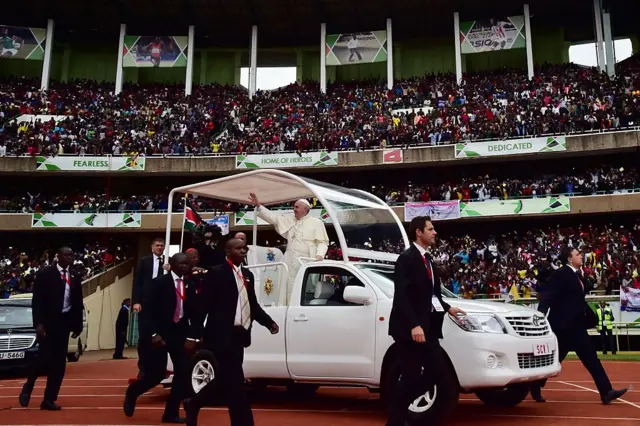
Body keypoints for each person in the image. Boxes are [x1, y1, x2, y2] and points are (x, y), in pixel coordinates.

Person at [183, 238, 279, 426]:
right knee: (235, 383)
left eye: (244, 248)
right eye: (238, 248)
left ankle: (194, 403)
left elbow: (252, 305)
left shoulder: (247, 275)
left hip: (239, 336)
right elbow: (203, 306)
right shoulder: (217, 273)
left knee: (224, 381)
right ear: (228, 251)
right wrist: (193, 336)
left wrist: (268, 323)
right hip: (218, 336)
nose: (243, 251)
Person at [386, 216, 466, 426]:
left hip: (428, 328)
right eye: (430, 229)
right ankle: (395, 420)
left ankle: (399, 408)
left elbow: (432, 295)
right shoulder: (406, 258)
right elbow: (401, 297)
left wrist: (449, 309)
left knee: (437, 372)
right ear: (418, 232)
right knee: (411, 377)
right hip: (409, 330)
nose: (435, 232)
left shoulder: (428, 259)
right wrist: (414, 325)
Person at [528, 246, 627, 405]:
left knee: (592, 359)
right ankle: (534, 385)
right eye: (577, 254)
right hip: (562, 327)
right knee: (553, 361)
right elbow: (548, 296)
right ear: (569, 258)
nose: (581, 256)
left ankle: (606, 392)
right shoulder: (561, 274)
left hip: (577, 327)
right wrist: (540, 315)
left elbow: (576, 299)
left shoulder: (577, 275)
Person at [123, 253, 198, 423]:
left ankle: (170, 413)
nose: (185, 266)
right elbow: (147, 312)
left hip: (180, 334)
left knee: (183, 373)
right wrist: (153, 334)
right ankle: (134, 391)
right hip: (159, 334)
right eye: (182, 263)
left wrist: (193, 337)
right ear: (171, 265)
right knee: (156, 374)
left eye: (187, 263)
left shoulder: (190, 284)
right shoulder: (158, 284)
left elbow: (195, 313)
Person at [19, 247, 84, 411]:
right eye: (66, 255)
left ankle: (49, 399)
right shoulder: (46, 273)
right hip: (48, 323)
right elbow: (37, 300)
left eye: (71, 255)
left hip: (64, 323)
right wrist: (39, 324)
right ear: (58, 256)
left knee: (59, 364)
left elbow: (77, 302)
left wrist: (78, 325)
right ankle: (29, 386)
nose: (69, 258)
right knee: (43, 359)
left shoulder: (75, 275)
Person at [248, 192, 329, 305]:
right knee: (286, 286)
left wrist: (319, 255)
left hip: (306, 260)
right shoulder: (289, 219)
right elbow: (273, 218)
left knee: (301, 286)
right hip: (289, 259)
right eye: (294, 207)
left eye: (296, 207)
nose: (294, 209)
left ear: (305, 209)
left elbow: (323, 242)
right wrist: (258, 205)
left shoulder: (316, 222)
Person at [132, 237, 167, 379]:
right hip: (145, 303)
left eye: (162, 246)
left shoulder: (168, 262)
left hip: (162, 304)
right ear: (152, 247)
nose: (160, 248)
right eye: (157, 245)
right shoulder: (144, 261)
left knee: (160, 337)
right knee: (145, 337)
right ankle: (143, 368)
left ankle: (159, 368)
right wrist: (136, 301)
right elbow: (137, 282)